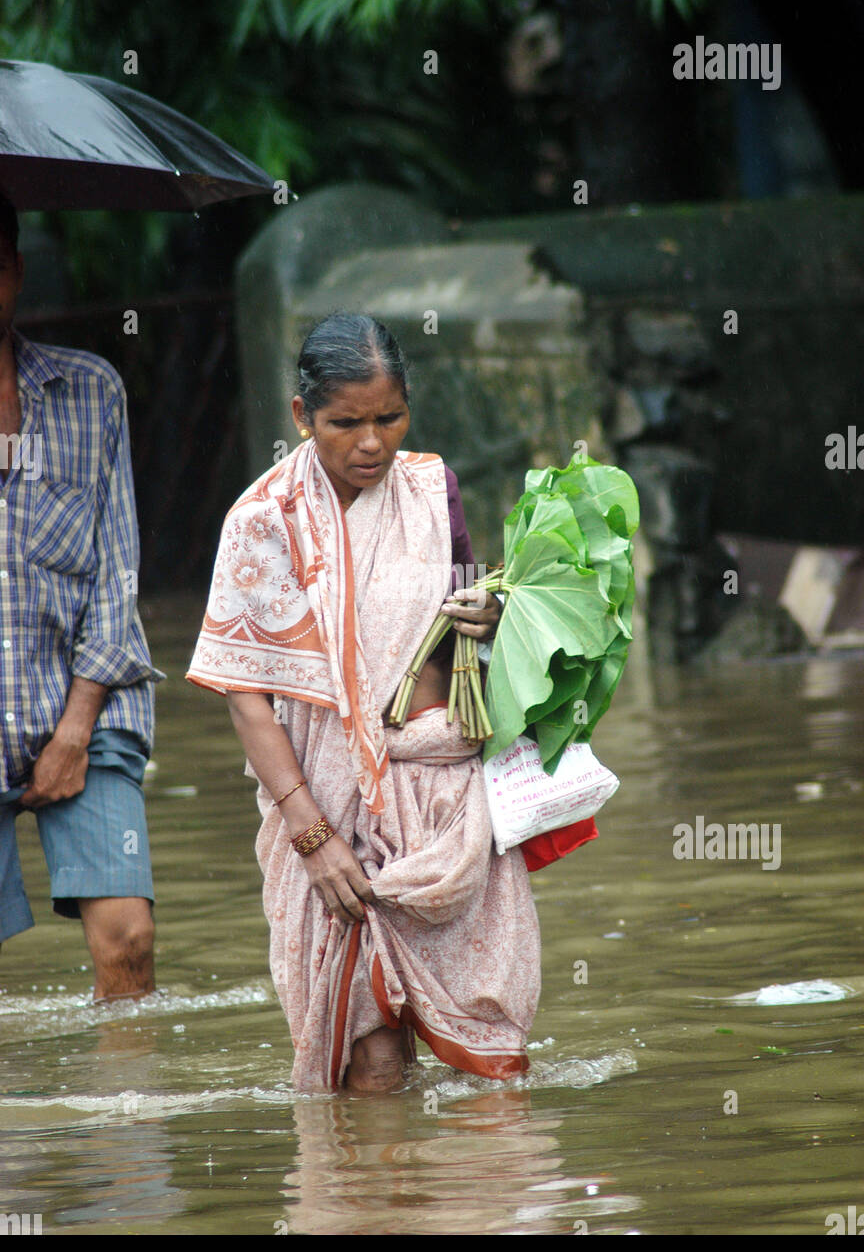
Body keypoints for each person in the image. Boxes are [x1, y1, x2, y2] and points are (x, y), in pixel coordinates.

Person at [187, 311, 541, 1093]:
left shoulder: (430, 487)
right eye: (345, 423)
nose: (372, 442)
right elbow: (246, 697)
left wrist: (487, 617)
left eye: (389, 417)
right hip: (325, 803)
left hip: (444, 799)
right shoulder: (263, 522)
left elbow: (462, 628)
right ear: (301, 417)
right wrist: (313, 839)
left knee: (493, 1060)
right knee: (369, 1059)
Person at [0, 191, 164, 999]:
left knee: (129, 939)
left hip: (84, 705)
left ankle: (128, 1120)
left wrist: (74, 727)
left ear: (16, 272)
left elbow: (117, 572)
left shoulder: (89, 390)